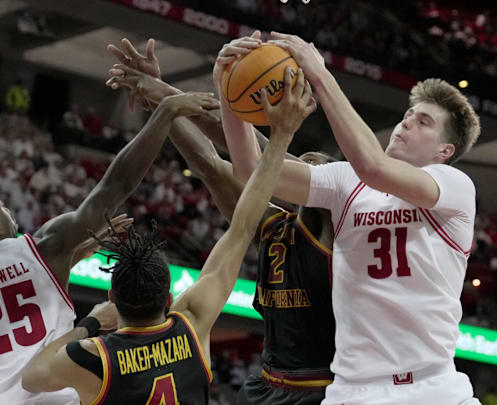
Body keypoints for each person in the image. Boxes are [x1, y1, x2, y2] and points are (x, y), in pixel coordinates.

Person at [19, 65, 316, 405]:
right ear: (170, 299)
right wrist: (279, 139)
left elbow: (31, 377)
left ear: (113, 299)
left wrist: (90, 323)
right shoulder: (192, 323)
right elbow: (242, 226)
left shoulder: (91, 356)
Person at [218, 32, 482, 405]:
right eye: (407, 116)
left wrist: (321, 76)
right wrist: (227, 89)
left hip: (432, 388)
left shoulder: (454, 187)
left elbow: (373, 165)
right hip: (353, 391)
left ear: (445, 150)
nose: (406, 124)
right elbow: (251, 170)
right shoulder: (346, 181)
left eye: (423, 122)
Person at [0, 91, 219, 405]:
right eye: (1, 207)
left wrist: (77, 252)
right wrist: (164, 113)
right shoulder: (46, 246)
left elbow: (4, 290)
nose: (9, 210)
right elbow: (115, 185)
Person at [105, 35, 337, 404]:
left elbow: (264, 154)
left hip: (319, 387)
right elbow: (209, 165)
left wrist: (165, 92)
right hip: (267, 381)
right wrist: (165, 104)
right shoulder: (273, 227)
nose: (304, 168)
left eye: (314, 165)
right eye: (303, 160)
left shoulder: (333, 230)